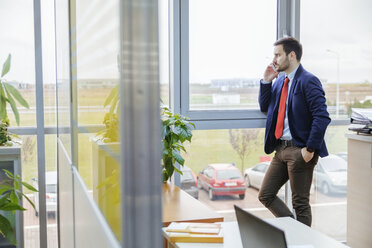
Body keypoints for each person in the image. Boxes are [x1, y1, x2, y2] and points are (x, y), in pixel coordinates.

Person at [258, 37, 331, 227]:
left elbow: (321, 117)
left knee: (300, 204)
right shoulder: (280, 80)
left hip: (300, 150)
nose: (274, 59)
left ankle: (302, 242)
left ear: (292, 55)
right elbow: (265, 106)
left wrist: (310, 149)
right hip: (281, 149)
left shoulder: (308, 80)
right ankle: (294, 229)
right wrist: (266, 81)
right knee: (265, 195)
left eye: (278, 54)